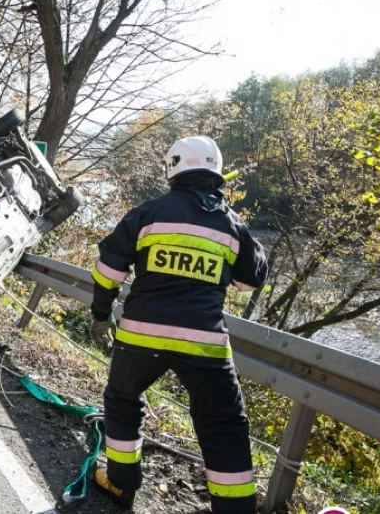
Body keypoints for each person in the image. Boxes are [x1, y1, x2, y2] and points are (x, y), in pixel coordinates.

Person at [89, 136, 268, 514]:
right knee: (223, 425)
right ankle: (235, 510)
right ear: (216, 170)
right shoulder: (232, 224)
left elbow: (108, 269)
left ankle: (121, 485)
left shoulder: (148, 212)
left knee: (122, 401)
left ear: (172, 168)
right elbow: (251, 280)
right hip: (204, 344)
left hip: (140, 336)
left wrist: (101, 313)